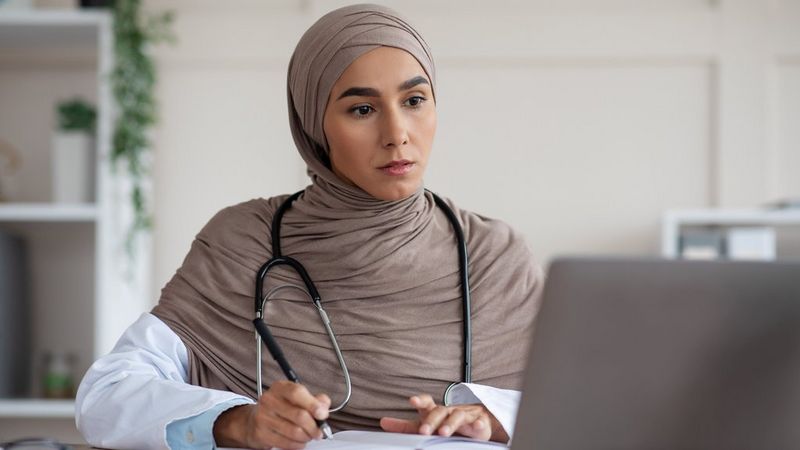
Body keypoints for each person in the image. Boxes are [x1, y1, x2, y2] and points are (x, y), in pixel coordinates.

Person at [76, 4, 543, 449]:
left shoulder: (492, 255)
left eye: (415, 100)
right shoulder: (245, 240)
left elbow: (590, 402)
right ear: (313, 125)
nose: (397, 133)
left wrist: (495, 417)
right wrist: (240, 422)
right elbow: (107, 395)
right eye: (362, 109)